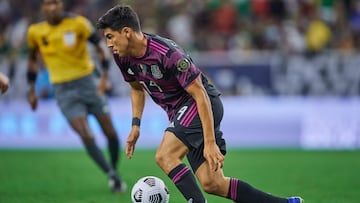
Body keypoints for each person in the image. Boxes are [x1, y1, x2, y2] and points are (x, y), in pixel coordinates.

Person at [97, 4, 304, 203]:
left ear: (126, 32)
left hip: (201, 103)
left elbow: (200, 93)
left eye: (110, 37)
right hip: (181, 113)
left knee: (165, 156)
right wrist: (135, 125)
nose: (109, 44)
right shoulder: (122, 57)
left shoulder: (167, 54)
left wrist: (210, 143)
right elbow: (136, 88)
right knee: (213, 183)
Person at [26, 0, 126, 193]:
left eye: (56, 2)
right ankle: (112, 175)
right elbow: (31, 60)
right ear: (43, 7)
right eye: (48, 3)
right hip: (62, 89)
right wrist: (31, 89)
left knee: (110, 132)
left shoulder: (78, 23)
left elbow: (101, 48)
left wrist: (104, 77)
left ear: (61, 5)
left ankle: (113, 168)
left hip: (88, 82)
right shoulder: (35, 32)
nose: (52, 7)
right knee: (85, 134)